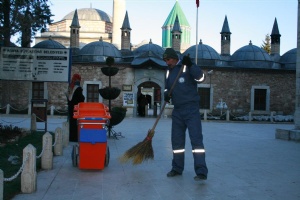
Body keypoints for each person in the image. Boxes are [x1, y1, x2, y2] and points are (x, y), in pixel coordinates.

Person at [163, 48, 208, 181]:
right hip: (177, 110)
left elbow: (201, 78)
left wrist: (191, 65)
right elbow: (167, 87)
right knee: (177, 142)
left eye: (168, 59)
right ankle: (177, 168)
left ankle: (201, 171)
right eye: (165, 60)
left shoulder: (186, 66)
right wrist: (166, 94)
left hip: (191, 109)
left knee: (196, 141)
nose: (167, 62)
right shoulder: (168, 71)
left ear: (175, 58)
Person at [67, 73, 85, 142]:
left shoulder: (70, 86)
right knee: (75, 123)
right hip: (76, 109)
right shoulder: (78, 88)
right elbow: (81, 99)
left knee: (71, 122)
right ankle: (75, 138)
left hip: (70, 107)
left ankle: (71, 137)